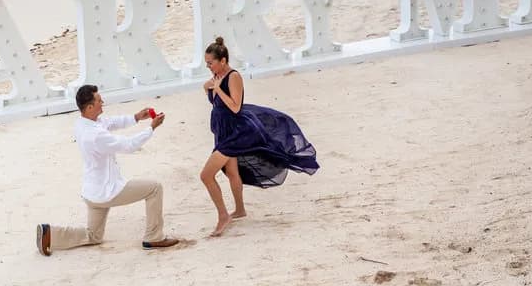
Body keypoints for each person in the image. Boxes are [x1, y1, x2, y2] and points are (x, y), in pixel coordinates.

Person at [36, 84, 179, 255]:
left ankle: (50, 234)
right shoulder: (95, 135)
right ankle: (154, 237)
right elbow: (128, 145)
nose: (102, 102)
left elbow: (109, 122)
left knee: (93, 236)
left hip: (92, 192)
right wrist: (151, 128)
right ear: (89, 107)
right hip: (107, 191)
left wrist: (136, 117)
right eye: (98, 100)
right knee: (154, 188)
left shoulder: (83, 122)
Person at [200, 37, 319, 236]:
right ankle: (239, 210)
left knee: (206, 175)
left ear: (222, 61)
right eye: (206, 64)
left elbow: (235, 107)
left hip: (236, 133)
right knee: (232, 172)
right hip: (223, 131)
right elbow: (216, 102)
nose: (209, 67)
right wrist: (209, 89)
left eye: (211, 63)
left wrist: (218, 89)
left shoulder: (233, 77)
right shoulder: (215, 78)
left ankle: (223, 216)